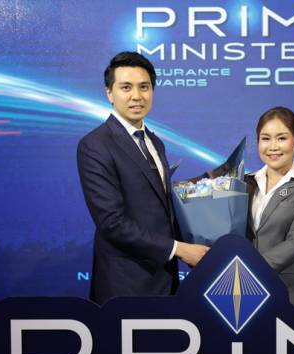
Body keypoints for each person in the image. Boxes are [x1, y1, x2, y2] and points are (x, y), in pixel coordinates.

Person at [77, 51, 209, 304]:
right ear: (109, 93)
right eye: (126, 87)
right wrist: (179, 249)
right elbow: (112, 223)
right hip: (125, 284)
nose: (137, 96)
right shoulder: (95, 145)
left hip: (166, 279)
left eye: (144, 87)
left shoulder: (155, 142)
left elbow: (160, 209)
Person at [246, 107, 294, 316]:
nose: (273, 146)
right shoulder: (244, 183)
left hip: (288, 295)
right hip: (242, 296)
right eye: (265, 138)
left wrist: (247, 269)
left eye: (281, 138)